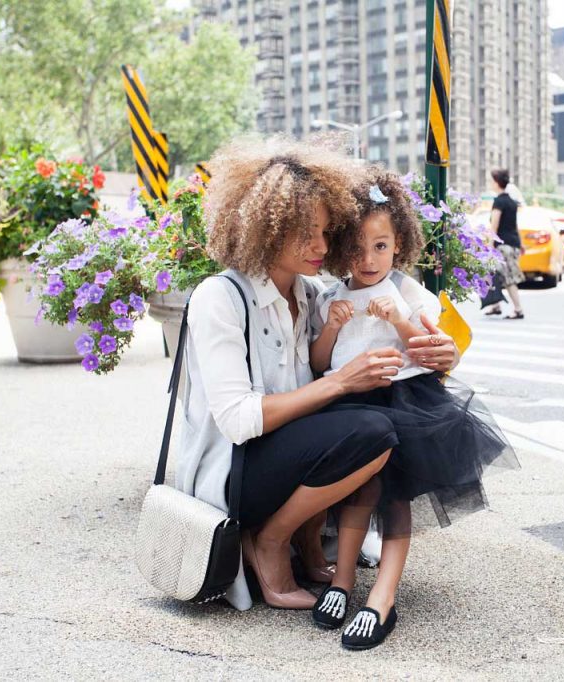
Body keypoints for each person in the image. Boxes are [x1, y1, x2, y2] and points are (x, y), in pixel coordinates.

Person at [177, 137, 461, 614]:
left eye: (328, 233)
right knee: (371, 430)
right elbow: (238, 420)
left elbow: (391, 309)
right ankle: (269, 540)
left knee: (374, 426)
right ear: (267, 229)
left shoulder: (312, 296)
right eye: (307, 233)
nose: (322, 247)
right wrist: (341, 381)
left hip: (287, 460)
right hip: (233, 472)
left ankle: (309, 545)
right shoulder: (220, 297)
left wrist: (444, 352)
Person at [308, 168, 518, 650]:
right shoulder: (332, 296)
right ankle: (342, 582)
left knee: (394, 496)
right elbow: (321, 363)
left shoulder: (408, 292)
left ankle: (383, 595)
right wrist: (332, 329)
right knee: (356, 493)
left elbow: (430, 348)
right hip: (349, 403)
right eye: (357, 248)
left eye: (380, 247)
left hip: (404, 403)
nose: (368, 259)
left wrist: (400, 319)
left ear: (398, 244)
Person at [486, 168, 525, 319]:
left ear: (497, 183)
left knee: (508, 278)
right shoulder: (511, 202)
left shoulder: (499, 201)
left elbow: (494, 226)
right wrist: (520, 244)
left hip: (503, 246)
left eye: (492, 180)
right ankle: (496, 305)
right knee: (495, 274)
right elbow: (515, 225)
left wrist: (489, 247)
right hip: (513, 244)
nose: (491, 183)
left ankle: (518, 309)